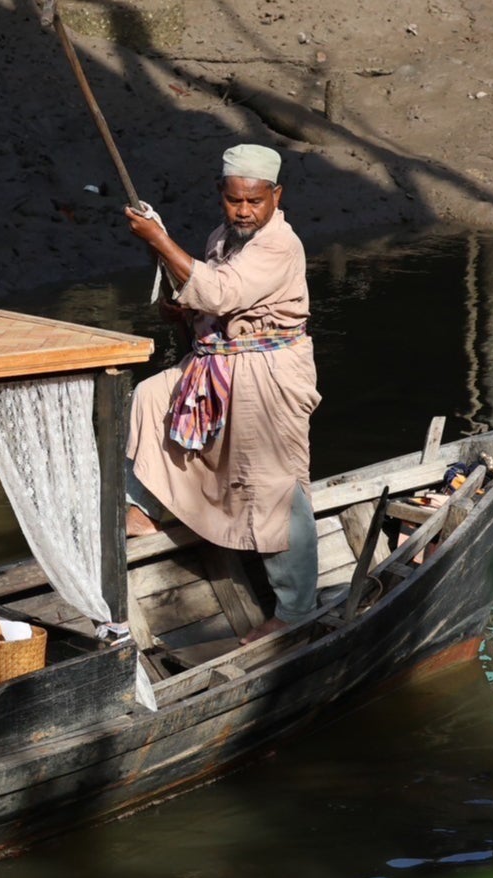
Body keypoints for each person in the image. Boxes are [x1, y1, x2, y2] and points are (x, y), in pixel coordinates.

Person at [122, 144, 320, 644]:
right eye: (235, 201)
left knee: (273, 484)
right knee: (151, 397)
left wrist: (161, 240)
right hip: (222, 363)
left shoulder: (280, 245)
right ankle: (148, 507)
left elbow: (221, 293)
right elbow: (204, 300)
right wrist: (179, 307)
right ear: (222, 195)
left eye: (255, 201)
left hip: (268, 371)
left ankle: (296, 611)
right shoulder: (221, 238)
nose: (244, 211)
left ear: (276, 195)